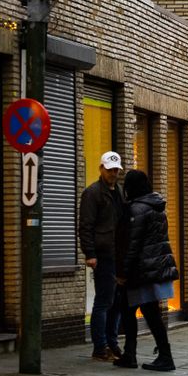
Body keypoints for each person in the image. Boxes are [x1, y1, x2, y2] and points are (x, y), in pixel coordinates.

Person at [113, 170, 178, 371]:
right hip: (153, 267)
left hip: (141, 270)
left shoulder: (136, 210)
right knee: (132, 308)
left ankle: (163, 356)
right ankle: (130, 354)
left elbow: (131, 245)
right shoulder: (157, 207)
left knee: (145, 311)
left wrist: (122, 272)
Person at [79, 151, 125, 362]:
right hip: (103, 254)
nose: (113, 173)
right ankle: (100, 347)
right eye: (109, 170)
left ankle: (112, 343)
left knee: (116, 301)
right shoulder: (93, 193)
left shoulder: (120, 192)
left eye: (116, 170)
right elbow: (86, 225)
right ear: (101, 169)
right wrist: (90, 253)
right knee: (104, 300)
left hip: (118, 254)